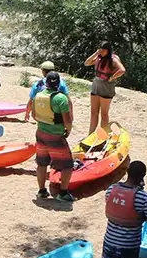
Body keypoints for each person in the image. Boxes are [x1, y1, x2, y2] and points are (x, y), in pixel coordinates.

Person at [32, 71, 75, 202]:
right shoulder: (61, 98)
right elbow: (67, 121)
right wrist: (68, 131)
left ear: (46, 83)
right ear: (58, 83)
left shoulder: (38, 95)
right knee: (67, 165)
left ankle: (41, 191)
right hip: (55, 135)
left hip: (40, 133)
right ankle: (63, 193)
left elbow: (34, 115)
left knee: (42, 163)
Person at [84, 42, 126, 133]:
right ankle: (90, 134)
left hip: (106, 86)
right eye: (100, 50)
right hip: (96, 85)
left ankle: (103, 134)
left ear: (108, 50)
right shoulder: (98, 57)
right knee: (93, 112)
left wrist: (112, 77)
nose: (102, 52)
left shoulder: (113, 60)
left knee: (104, 113)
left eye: (103, 50)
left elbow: (122, 70)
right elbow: (86, 63)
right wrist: (96, 53)